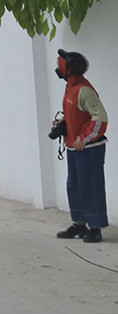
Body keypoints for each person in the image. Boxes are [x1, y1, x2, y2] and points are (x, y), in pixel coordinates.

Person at [53, 50, 108, 244]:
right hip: (73, 147)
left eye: (61, 64)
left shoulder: (84, 89)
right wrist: (64, 122)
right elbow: (76, 112)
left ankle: (95, 227)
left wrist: (84, 138)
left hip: (89, 149)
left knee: (90, 186)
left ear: (70, 69)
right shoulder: (70, 87)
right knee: (74, 186)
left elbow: (100, 119)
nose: (58, 67)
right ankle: (79, 224)